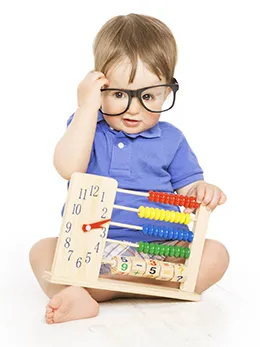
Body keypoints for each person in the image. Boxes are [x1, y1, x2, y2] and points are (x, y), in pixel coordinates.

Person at [29, 13, 229, 324]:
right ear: (99, 87)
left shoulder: (172, 139)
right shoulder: (87, 127)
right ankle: (134, 288)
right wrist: (86, 108)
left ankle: (102, 291)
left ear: (166, 92)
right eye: (119, 94)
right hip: (92, 249)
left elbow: (189, 189)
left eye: (148, 96)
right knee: (41, 251)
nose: (134, 109)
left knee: (217, 254)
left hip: (161, 249)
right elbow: (68, 168)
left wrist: (202, 190)